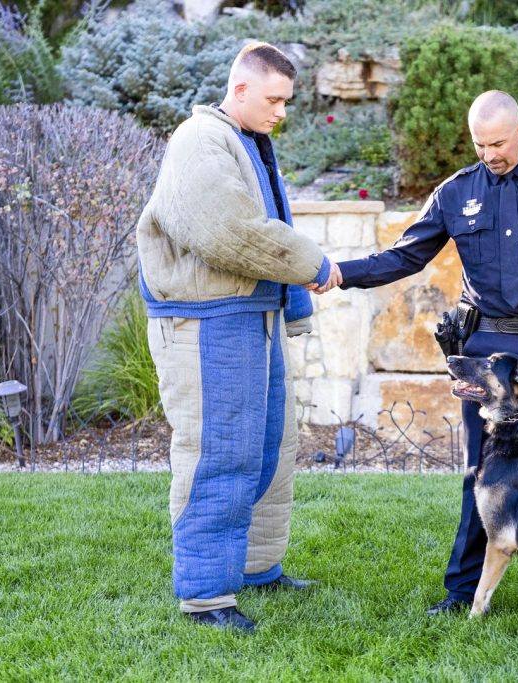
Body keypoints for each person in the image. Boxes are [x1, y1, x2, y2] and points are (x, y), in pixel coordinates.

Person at [314, 90, 518, 616]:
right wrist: (343, 273)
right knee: (481, 475)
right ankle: (462, 591)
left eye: (499, 143)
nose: (490, 154)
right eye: (480, 144)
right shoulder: (455, 193)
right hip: (489, 353)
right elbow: (406, 254)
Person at [136, 41, 341, 632]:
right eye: (275, 99)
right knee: (217, 452)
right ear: (241, 88)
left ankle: (256, 568)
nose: (282, 111)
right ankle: (205, 596)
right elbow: (225, 231)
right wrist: (312, 264)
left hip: (252, 319)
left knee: (271, 447)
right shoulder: (198, 141)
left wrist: (292, 305)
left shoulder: (247, 140)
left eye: (287, 101)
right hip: (207, 325)